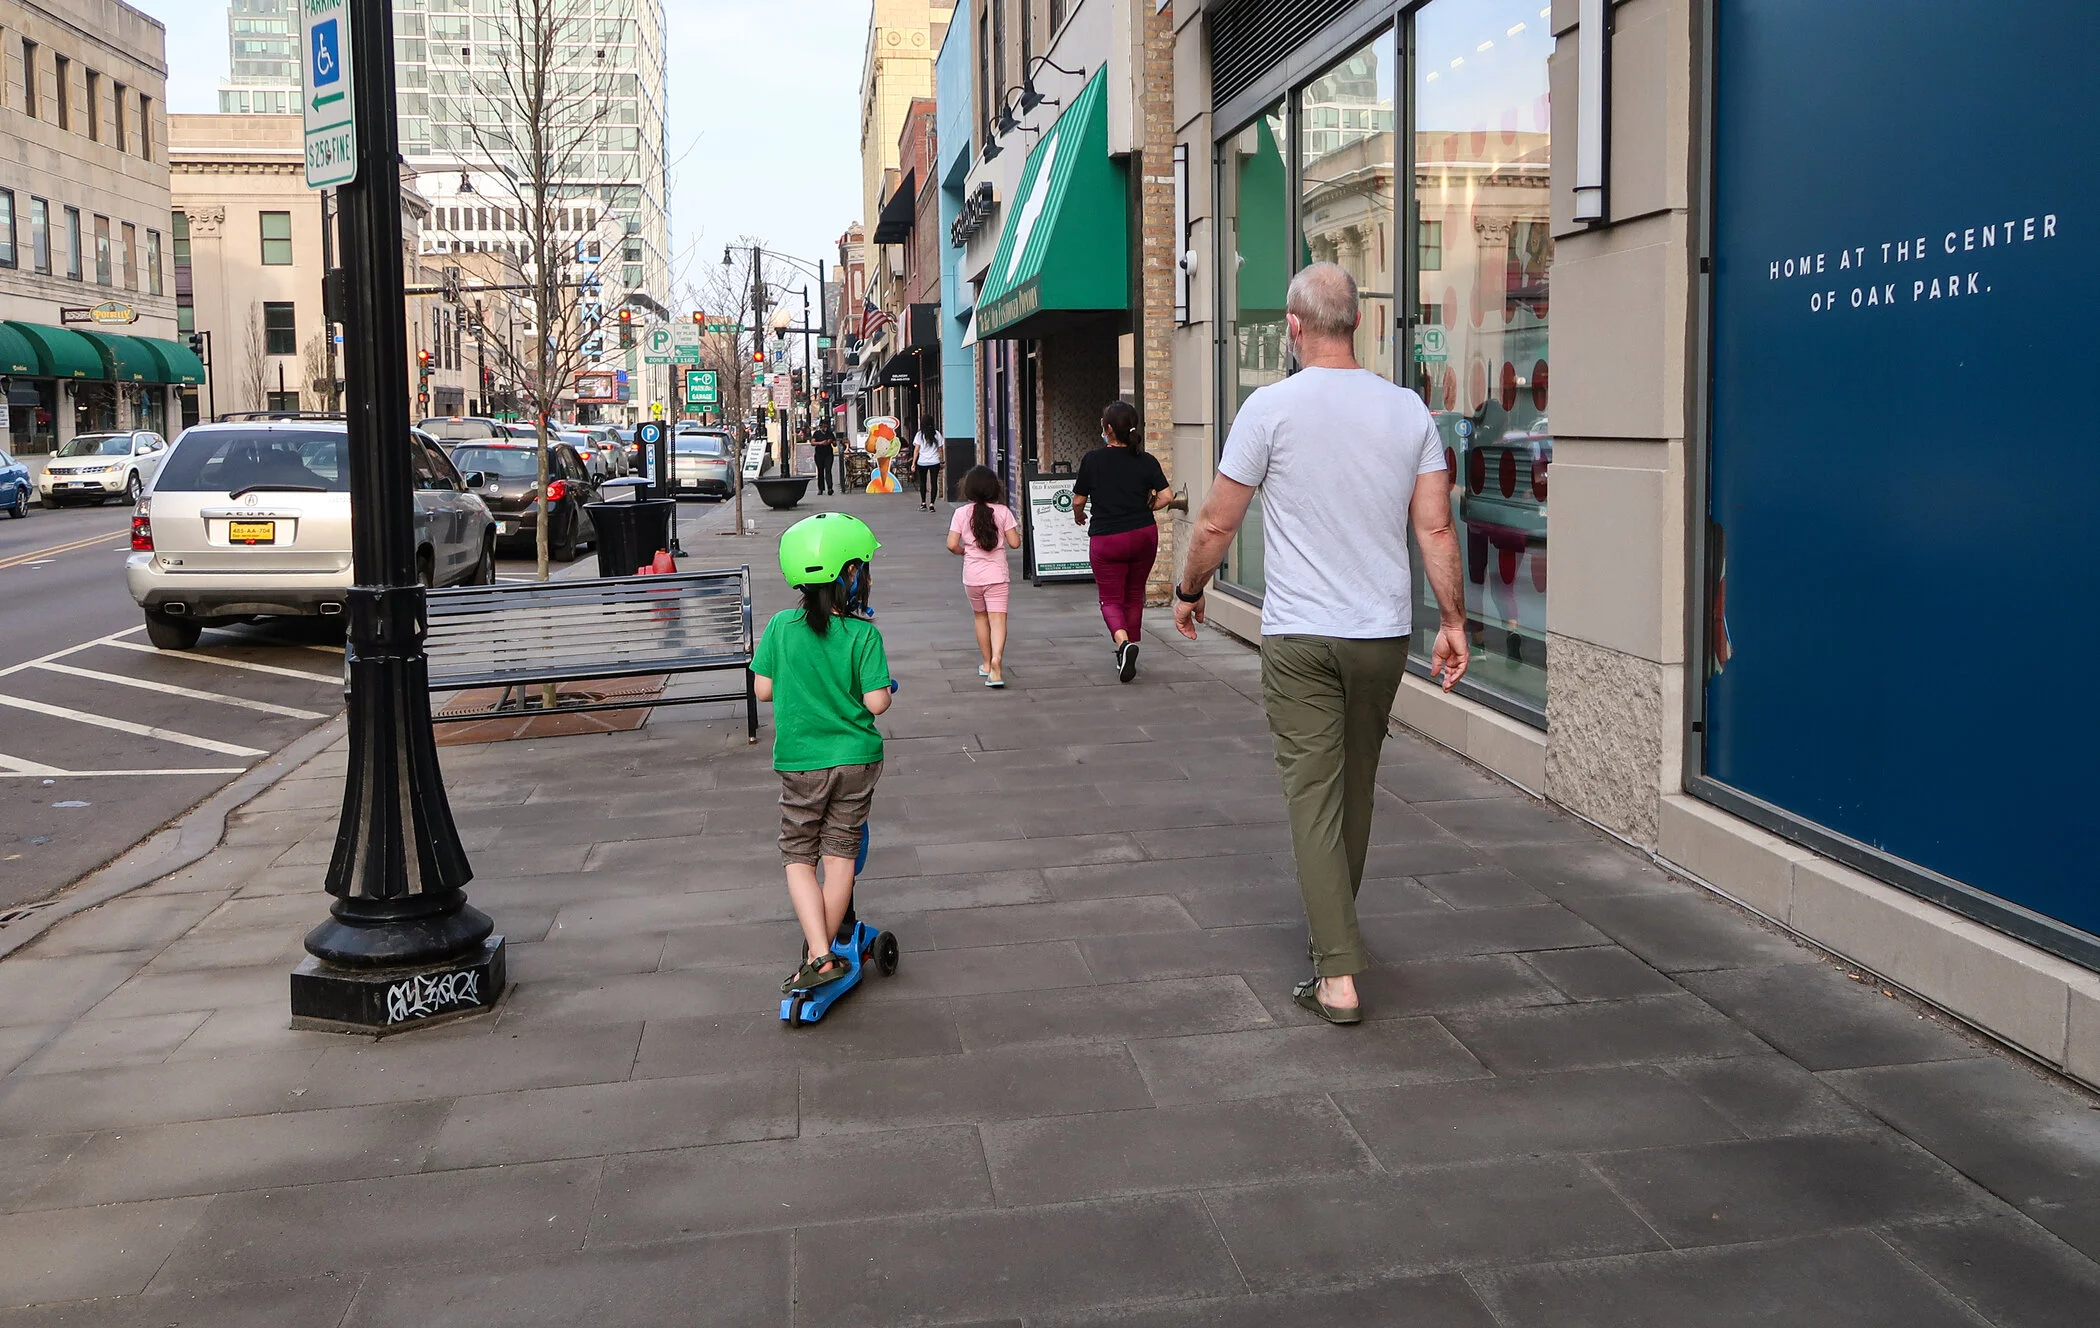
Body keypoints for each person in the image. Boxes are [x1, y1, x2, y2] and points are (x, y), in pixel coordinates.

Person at [1172, 262, 1470, 1026]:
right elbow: (1434, 527)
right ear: (1360, 325)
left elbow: (1214, 522)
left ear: (1294, 328)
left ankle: (1337, 974)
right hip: (1380, 633)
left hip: (1301, 634)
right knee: (1356, 786)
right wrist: (1455, 622)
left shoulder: (1268, 409)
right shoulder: (1408, 412)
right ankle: (1334, 931)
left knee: (1313, 793)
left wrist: (1189, 589)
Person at [750, 513, 894, 994]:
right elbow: (877, 702)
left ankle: (819, 953)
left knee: (798, 855)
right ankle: (823, 952)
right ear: (850, 576)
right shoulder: (863, 635)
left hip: (801, 761)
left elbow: (763, 691)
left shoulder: (779, 626)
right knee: (840, 854)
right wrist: (879, 686)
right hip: (856, 760)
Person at [1072, 400, 1173, 683]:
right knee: (1133, 593)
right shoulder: (1146, 460)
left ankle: (1123, 644)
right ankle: (1130, 645)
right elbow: (1167, 496)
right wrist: (1147, 507)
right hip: (1143, 535)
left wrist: (1079, 516)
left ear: (1107, 429)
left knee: (1110, 598)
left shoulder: (1093, 459)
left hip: (1107, 538)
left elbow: (1078, 500)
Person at [946, 465, 1021, 688]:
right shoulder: (1003, 512)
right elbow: (1015, 543)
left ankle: (987, 664)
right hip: (997, 576)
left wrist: (964, 551)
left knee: (980, 617)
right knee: (998, 620)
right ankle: (998, 662)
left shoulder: (961, 513)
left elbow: (951, 544)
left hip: (972, 577)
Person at [912, 416, 944, 510]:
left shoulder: (919, 435)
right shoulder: (937, 434)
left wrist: (913, 463)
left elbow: (916, 450)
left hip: (922, 462)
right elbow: (940, 449)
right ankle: (932, 504)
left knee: (923, 482)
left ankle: (923, 503)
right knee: (934, 483)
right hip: (935, 461)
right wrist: (941, 460)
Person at [811, 425, 836, 496]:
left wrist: (831, 441)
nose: (825, 428)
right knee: (820, 471)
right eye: (823, 426)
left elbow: (835, 444)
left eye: (826, 426)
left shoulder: (830, 433)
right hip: (819, 454)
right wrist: (821, 443)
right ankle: (820, 489)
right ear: (820, 427)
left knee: (828, 470)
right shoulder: (817, 433)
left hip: (828, 454)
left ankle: (830, 488)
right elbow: (812, 443)